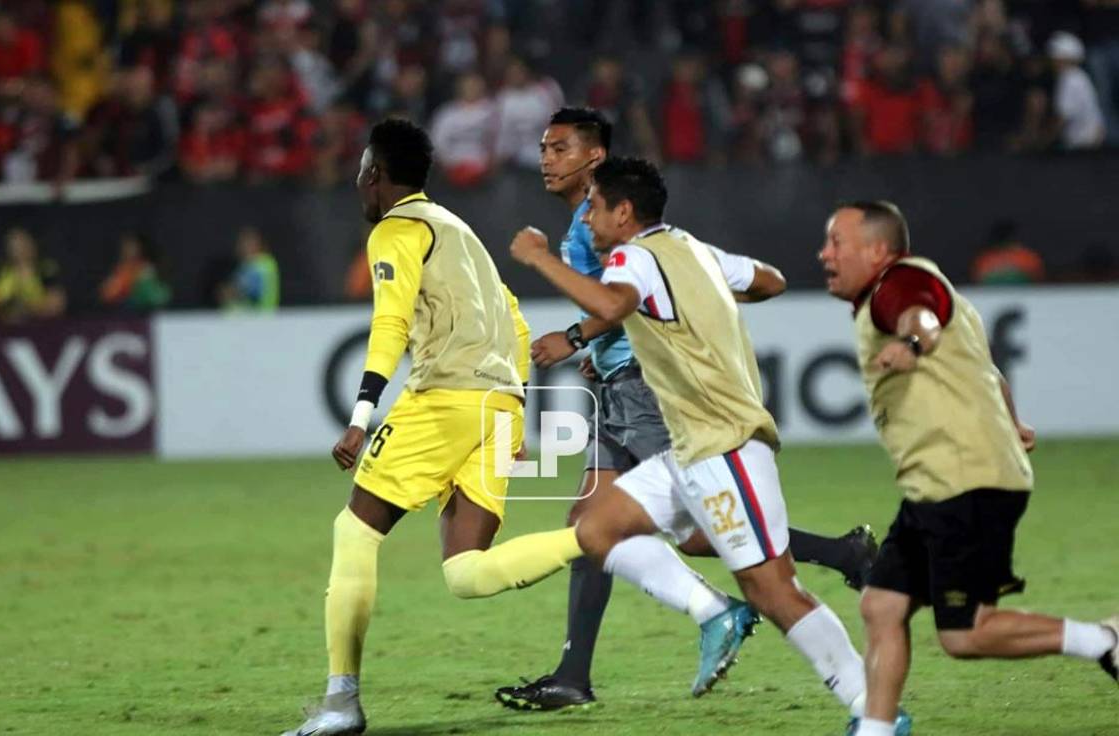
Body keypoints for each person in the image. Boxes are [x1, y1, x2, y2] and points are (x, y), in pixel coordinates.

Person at [495, 108, 878, 712]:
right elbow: (764, 281)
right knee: (592, 526)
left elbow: (618, 299)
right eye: (543, 147)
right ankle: (577, 672)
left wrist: (574, 327)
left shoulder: (616, 245)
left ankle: (848, 623)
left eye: (560, 148)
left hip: (668, 401)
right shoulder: (678, 244)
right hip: (628, 388)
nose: (546, 158)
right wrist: (616, 337)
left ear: (602, 174)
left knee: (727, 555)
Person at [279, 119, 586, 736]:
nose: (359, 183)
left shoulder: (396, 229)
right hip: (498, 405)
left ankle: (342, 702)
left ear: (376, 175)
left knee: (356, 530)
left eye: (363, 171)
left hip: (446, 396)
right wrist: (513, 403)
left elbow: (390, 325)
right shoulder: (460, 231)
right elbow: (516, 320)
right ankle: (606, 537)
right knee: (466, 571)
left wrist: (360, 417)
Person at [817, 201, 1119, 736]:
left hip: (964, 483)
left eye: (837, 243)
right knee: (882, 606)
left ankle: (1105, 642)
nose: (825, 254)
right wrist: (1012, 420)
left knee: (965, 635)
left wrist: (911, 343)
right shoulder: (908, 291)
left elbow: (921, 320)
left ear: (879, 250)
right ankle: (877, 731)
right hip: (938, 484)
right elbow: (988, 370)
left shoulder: (899, 283)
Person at [0, 227, 67, 324]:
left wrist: (27, 308)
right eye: (14, 245)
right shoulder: (0, 271)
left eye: (22, 244)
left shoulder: (45, 270)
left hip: (41, 328)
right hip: (5, 330)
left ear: (32, 244)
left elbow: (56, 305)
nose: (18, 250)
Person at [99, 232, 171, 312]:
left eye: (132, 247)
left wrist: (143, 283)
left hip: (148, 314)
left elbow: (160, 297)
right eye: (126, 247)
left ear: (140, 249)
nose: (129, 251)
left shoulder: (147, 269)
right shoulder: (122, 270)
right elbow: (107, 294)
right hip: (124, 314)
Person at [218, 227, 280, 311]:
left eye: (247, 243)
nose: (242, 246)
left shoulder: (260, 264)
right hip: (249, 318)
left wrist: (228, 292)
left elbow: (243, 290)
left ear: (258, 244)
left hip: (255, 319)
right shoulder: (247, 265)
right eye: (241, 243)